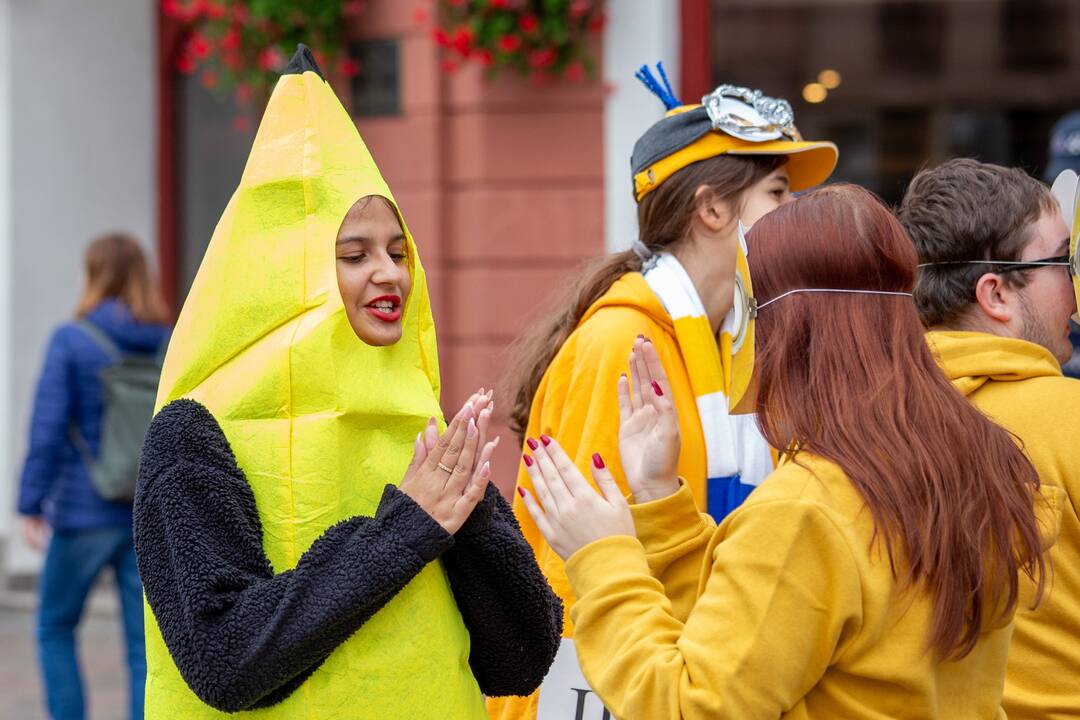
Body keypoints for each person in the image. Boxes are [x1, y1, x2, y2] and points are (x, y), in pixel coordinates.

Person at [517, 183, 1059, 719]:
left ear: (784, 326)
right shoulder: (969, 462)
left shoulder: (808, 505)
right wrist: (660, 498)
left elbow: (689, 706)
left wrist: (601, 557)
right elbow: (751, 640)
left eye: (745, 307)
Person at [131, 47, 561, 719]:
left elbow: (519, 659)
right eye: (354, 254)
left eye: (398, 251)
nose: (390, 275)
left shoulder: (419, 422)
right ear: (285, 277)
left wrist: (468, 514)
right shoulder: (191, 435)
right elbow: (225, 661)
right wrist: (407, 529)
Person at [490, 68, 837, 719]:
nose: (795, 214)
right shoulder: (621, 343)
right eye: (779, 192)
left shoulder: (736, 342)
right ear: (712, 209)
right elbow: (575, 566)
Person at [898, 158, 1080, 719]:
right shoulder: (1069, 420)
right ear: (995, 293)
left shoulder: (861, 426)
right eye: (1063, 261)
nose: (1074, 285)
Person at [16, 232, 170, 720]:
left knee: (55, 627)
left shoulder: (71, 340)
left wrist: (30, 503)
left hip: (84, 511)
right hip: (144, 514)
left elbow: (47, 428)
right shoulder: (164, 342)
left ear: (93, 274)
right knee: (141, 648)